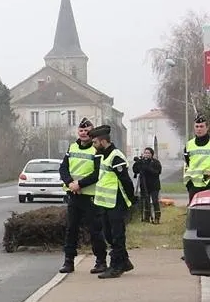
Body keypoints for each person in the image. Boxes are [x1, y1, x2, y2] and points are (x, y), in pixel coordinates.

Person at [58, 118, 108, 274]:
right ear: (77, 132)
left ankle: (100, 261)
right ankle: (68, 261)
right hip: (74, 195)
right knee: (71, 229)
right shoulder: (72, 147)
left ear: (92, 132)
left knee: (95, 230)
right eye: (81, 130)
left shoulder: (96, 150)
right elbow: (63, 168)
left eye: (87, 131)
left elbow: (97, 173)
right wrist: (71, 183)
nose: (84, 133)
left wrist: (80, 184)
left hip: (90, 196)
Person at [89, 125, 136, 279]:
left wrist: (131, 200)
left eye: (95, 142)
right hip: (106, 203)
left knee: (117, 235)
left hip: (116, 202)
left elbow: (126, 181)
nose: (93, 145)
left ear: (103, 142)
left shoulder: (115, 156)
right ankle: (125, 261)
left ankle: (116, 266)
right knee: (109, 235)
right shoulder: (103, 155)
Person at [184, 113, 210, 205]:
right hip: (194, 186)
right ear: (194, 128)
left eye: (202, 126)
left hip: (209, 183)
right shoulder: (189, 145)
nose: (199, 129)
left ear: (207, 128)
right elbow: (187, 164)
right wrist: (189, 184)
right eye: (197, 126)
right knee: (195, 214)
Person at [132, 147, 163, 224]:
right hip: (144, 184)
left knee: (155, 201)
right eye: (145, 153)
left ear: (152, 154)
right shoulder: (142, 162)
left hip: (154, 185)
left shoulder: (155, 162)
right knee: (146, 201)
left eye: (148, 153)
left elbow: (157, 172)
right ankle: (146, 217)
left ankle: (157, 217)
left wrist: (148, 168)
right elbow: (135, 170)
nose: (146, 154)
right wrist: (137, 163)